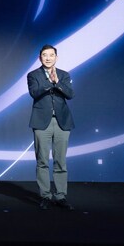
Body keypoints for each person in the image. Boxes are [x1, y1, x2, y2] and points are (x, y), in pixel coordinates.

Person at [27, 44, 75, 210]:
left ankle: (61, 196)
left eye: (51, 55)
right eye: (45, 55)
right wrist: (50, 82)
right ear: (40, 58)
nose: (48, 58)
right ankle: (45, 196)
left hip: (62, 121)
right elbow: (34, 93)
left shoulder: (64, 75)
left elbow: (70, 94)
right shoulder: (33, 75)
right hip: (41, 122)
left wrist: (57, 82)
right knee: (42, 161)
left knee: (60, 161)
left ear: (56, 57)